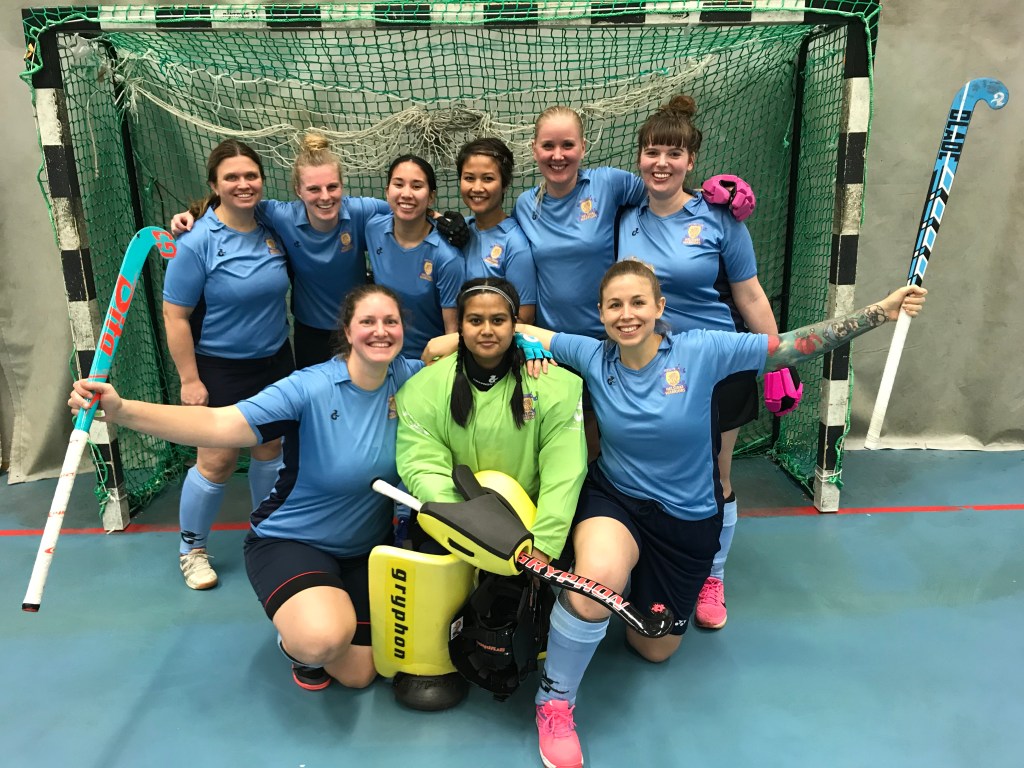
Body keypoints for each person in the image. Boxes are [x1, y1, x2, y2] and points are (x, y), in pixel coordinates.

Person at [516, 260, 927, 768]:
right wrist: (508, 344)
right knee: (596, 581)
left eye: (638, 302)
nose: (627, 314)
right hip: (616, 500)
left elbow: (790, 346)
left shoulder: (701, 350)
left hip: (686, 520)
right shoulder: (591, 354)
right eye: (614, 305)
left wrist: (879, 312)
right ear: (600, 313)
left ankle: (628, 585)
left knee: (654, 649)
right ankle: (554, 701)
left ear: (659, 307)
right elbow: (511, 329)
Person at [70, 285, 425, 690]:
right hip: (294, 541)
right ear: (347, 330)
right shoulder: (308, 388)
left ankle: (323, 609)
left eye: (390, 321)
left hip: (366, 549)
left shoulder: (412, 378)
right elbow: (219, 424)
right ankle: (297, 640)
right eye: (368, 321)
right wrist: (121, 410)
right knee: (321, 641)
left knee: (359, 675)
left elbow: (458, 357)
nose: (380, 331)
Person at [616, 94, 782, 630]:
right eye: (651, 152)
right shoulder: (624, 218)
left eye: (673, 153)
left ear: (692, 161)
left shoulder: (719, 219)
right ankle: (651, 557)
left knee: (715, 475)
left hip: (715, 369)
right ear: (639, 158)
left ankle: (713, 573)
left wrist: (777, 359)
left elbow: (750, 294)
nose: (661, 163)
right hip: (646, 370)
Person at [391, 277, 588, 707]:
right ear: (459, 327)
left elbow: (565, 469)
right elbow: (421, 463)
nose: (486, 330)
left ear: (515, 325)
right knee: (430, 558)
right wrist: (466, 526)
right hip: (457, 522)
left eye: (498, 320)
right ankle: (433, 659)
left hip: (528, 528)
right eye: (475, 320)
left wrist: (544, 544)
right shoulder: (425, 387)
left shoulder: (555, 385)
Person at [162, 139, 293, 591]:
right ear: (215, 185)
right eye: (231, 177)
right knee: (216, 460)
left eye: (250, 175)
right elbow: (175, 316)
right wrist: (190, 380)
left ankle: (266, 534)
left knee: (269, 449)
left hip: (275, 361)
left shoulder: (272, 228)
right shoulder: (196, 241)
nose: (243, 184)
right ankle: (192, 550)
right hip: (219, 368)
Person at [171, 132, 391, 368]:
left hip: (360, 327)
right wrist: (193, 213)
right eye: (314, 189)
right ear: (298, 190)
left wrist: (430, 223)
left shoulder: (362, 211)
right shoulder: (281, 216)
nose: (325, 197)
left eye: (332, 187)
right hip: (311, 333)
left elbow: (406, 209)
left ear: (342, 186)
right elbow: (234, 201)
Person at [364, 155, 465, 360]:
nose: (406, 194)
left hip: (425, 362)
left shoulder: (447, 257)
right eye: (398, 184)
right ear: (387, 191)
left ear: (431, 197)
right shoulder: (373, 230)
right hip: (380, 355)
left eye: (417, 186)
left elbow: (452, 336)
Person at [455, 138, 537, 323]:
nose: (477, 188)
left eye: (488, 178)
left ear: (504, 185)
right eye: (469, 178)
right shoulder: (460, 230)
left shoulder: (514, 242)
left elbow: (524, 317)